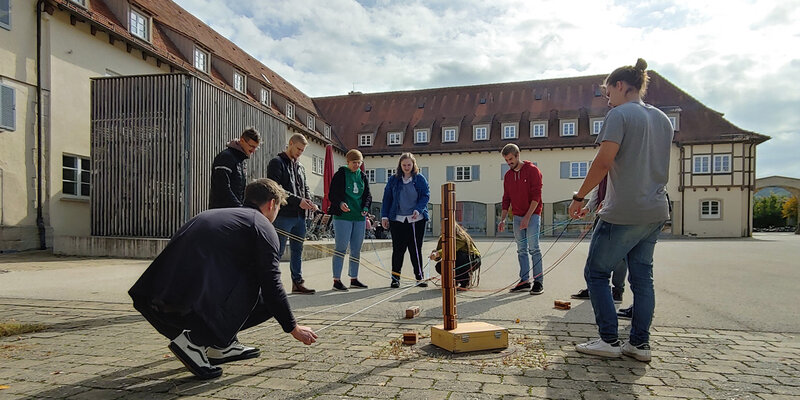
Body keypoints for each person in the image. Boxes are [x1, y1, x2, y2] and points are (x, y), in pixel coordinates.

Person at [129, 179, 318, 380]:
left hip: (153, 297)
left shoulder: (217, 214)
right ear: (272, 203)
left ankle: (220, 345)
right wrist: (293, 328)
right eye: (279, 207)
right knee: (260, 291)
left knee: (241, 274)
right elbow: (272, 283)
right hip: (187, 304)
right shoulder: (261, 225)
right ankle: (195, 342)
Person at [569, 58, 673, 363]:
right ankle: (639, 345)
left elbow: (604, 162)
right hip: (655, 209)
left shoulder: (619, 115)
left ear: (620, 85)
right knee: (642, 279)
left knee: (596, 272)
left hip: (624, 210)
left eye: (607, 91)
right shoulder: (663, 119)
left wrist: (579, 197)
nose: (607, 98)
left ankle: (609, 340)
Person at [267, 133, 319, 294]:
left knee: (297, 250)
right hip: (283, 214)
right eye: (298, 149)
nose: (299, 153)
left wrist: (310, 202)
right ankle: (271, 284)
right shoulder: (276, 163)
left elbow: (305, 188)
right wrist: (299, 201)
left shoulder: (300, 166)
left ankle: (297, 282)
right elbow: (276, 189)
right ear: (290, 144)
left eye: (302, 151)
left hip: (300, 216)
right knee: (278, 250)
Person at [570, 176, 627, 304]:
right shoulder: (602, 167)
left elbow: (624, 188)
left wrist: (608, 202)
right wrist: (588, 208)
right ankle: (593, 289)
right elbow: (597, 191)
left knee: (620, 258)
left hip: (619, 216)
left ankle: (617, 291)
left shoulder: (621, 163)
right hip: (601, 217)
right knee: (595, 254)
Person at [498, 143, 545, 295]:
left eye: (510, 159)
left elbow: (537, 196)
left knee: (534, 248)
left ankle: (538, 282)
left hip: (532, 215)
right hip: (517, 216)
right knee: (521, 250)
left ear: (518, 156)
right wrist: (503, 219)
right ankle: (524, 281)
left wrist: (527, 217)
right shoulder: (508, 176)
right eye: (506, 160)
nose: (509, 163)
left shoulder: (532, 171)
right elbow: (506, 199)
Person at [381, 152, 431, 288]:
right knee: (398, 250)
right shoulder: (393, 180)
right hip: (398, 219)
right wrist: (384, 216)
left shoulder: (419, 179)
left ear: (413, 164)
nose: (407, 167)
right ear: (400, 165)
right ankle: (395, 278)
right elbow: (387, 198)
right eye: (404, 165)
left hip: (417, 219)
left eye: (409, 164)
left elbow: (425, 196)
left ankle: (419, 278)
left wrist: (418, 209)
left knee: (415, 249)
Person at [327, 149, 372, 291]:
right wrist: (340, 203)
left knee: (356, 249)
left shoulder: (363, 176)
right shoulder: (340, 174)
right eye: (354, 163)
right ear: (348, 162)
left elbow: (368, 195)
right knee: (340, 248)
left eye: (359, 163)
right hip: (343, 217)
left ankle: (354, 278)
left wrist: (365, 207)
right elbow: (332, 194)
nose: (357, 165)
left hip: (359, 217)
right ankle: (336, 280)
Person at [208, 127, 261, 209]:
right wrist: (239, 207)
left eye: (256, 148)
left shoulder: (241, 161)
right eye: (252, 146)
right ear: (242, 141)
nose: (253, 150)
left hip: (233, 210)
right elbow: (222, 187)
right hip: (222, 211)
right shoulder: (226, 157)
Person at [431, 224, 481, 290]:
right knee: (440, 266)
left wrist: (437, 253)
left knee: (459, 257)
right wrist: (435, 255)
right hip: (461, 260)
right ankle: (455, 280)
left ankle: (465, 282)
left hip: (473, 260)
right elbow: (440, 254)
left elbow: (451, 249)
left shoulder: (461, 237)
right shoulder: (442, 238)